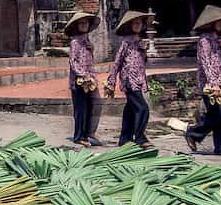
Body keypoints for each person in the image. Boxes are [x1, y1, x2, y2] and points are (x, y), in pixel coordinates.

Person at [184, 5, 221, 155]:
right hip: (210, 85)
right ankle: (193, 133)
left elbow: (219, 64)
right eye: (219, 22)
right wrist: (213, 84)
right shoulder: (204, 42)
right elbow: (206, 64)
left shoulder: (216, 41)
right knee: (218, 115)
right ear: (211, 23)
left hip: (220, 83)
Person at [107, 10, 155, 149]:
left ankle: (125, 139)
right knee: (142, 108)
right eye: (135, 23)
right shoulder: (126, 42)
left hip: (139, 80)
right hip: (129, 80)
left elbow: (141, 62)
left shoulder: (139, 42)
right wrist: (111, 81)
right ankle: (139, 138)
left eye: (140, 23)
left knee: (130, 111)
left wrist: (144, 52)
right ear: (129, 25)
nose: (138, 25)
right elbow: (117, 62)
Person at [64, 11, 103, 147]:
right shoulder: (75, 42)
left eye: (86, 23)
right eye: (81, 23)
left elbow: (90, 61)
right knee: (80, 109)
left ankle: (88, 133)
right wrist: (82, 75)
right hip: (79, 80)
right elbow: (73, 61)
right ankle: (79, 136)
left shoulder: (87, 41)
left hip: (90, 79)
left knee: (90, 107)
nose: (84, 25)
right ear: (76, 26)